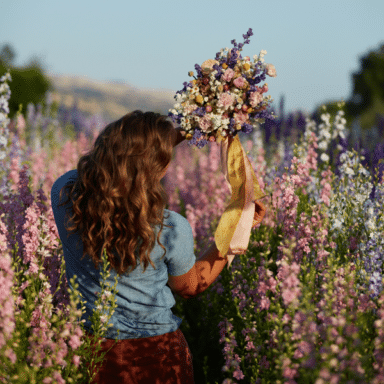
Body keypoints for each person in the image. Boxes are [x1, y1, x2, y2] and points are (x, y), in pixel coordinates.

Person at [50, 110, 266, 384]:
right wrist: (235, 231)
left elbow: (113, 163)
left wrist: (181, 133)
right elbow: (192, 286)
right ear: (158, 168)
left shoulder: (66, 196)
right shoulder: (170, 227)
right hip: (157, 355)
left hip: (94, 351)